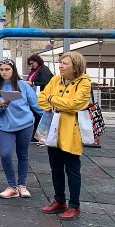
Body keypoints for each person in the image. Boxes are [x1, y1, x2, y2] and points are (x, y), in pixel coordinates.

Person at [38, 51, 91, 221]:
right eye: (60, 63)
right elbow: (42, 99)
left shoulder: (84, 83)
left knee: (72, 170)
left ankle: (74, 205)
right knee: (55, 168)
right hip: (54, 130)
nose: (60, 66)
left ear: (75, 67)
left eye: (65, 63)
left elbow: (76, 104)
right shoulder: (55, 79)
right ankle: (59, 200)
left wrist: (53, 100)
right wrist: (58, 103)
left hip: (72, 132)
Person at [0, 58, 43, 199]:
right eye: (2, 69)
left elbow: (35, 104)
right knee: (5, 154)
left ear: (13, 70)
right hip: (6, 126)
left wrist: (50, 118)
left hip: (25, 125)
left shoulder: (23, 86)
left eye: (7, 69)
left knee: (22, 154)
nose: (4, 72)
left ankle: (22, 185)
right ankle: (12, 186)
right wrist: (1, 105)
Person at [25, 53, 54, 142]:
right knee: (36, 115)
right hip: (36, 95)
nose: (32, 65)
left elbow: (45, 82)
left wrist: (33, 83)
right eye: (30, 64)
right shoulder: (35, 71)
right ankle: (36, 135)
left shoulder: (43, 70)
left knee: (38, 115)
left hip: (41, 95)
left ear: (37, 62)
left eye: (32, 63)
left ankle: (37, 136)